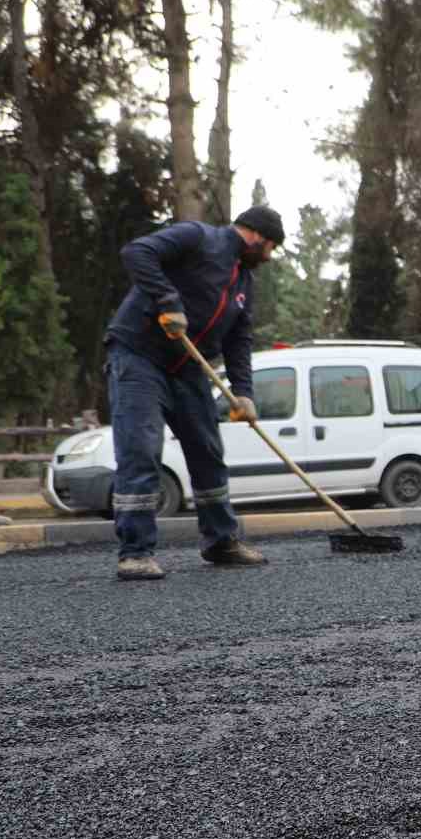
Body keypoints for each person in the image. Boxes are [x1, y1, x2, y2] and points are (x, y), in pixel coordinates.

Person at [104, 205, 285, 581]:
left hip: (188, 367)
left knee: (207, 450)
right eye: (269, 249)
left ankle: (221, 541)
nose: (268, 258)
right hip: (139, 356)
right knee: (142, 448)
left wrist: (243, 393)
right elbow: (137, 252)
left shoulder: (243, 283)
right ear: (258, 237)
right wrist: (167, 302)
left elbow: (240, 338)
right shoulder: (198, 237)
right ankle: (135, 552)